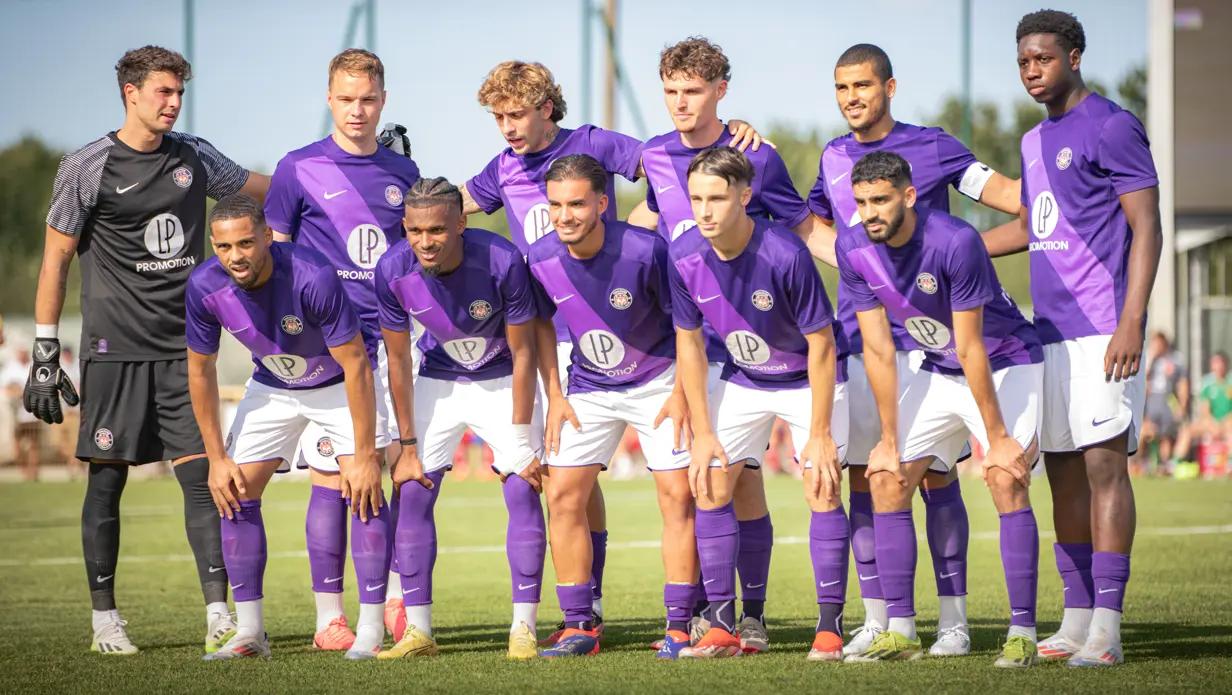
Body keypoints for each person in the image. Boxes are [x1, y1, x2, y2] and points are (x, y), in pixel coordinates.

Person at [461, 62, 765, 639]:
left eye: (516, 113)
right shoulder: (502, 170)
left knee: (693, 487)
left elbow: (674, 156)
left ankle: (693, 615)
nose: (506, 126)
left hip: (646, 345)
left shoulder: (595, 147)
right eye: (497, 117)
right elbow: (457, 206)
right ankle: (584, 615)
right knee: (568, 487)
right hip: (575, 357)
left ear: (547, 107)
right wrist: (405, 208)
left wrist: (730, 135)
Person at [25, 45, 268, 655]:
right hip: (114, 354)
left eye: (179, 92)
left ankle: (219, 613)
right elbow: (56, 258)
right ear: (130, 93)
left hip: (187, 354)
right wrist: (47, 348)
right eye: (163, 92)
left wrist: (340, 175)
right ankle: (105, 619)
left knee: (204, 482)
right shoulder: (88, 164)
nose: (174, 103)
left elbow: (264, 189)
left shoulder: (194, 154)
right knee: (106, 487)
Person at [806, 42, 1024, 658]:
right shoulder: (831, 156)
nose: (852, 98)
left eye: (863, 86)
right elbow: (812, 224)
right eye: (842, 88)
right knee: (871, 477)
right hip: (865, 335)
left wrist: (992, 249)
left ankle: (953, 622)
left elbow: (1015, 200)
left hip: (933, 344)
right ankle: (883, 620)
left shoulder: (931, 146)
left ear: (890, 88)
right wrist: (859, 268)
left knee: (935, 475)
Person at [985, 9, 1163, 667]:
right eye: (1024, 61)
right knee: (1060, 471)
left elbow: (1148, 225)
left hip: (1104, 329)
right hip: (1049, 334)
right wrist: (962, 250)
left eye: (1043, 58)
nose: (1033, 70)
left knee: (1103, 467)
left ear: (1074, 56)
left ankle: (1109, 630)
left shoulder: (1113, 125)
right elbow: (1038, 225)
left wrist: (1133, 320)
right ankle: (1077, 618)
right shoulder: (1034, 143)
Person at [635, 38, 824, 651]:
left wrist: (874, 271)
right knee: (706, 479)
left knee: (741, 483)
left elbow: (800, 227)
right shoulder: (654, 155)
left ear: (720, 91)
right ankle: (705, 616)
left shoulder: (754, 155)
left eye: (692, 90)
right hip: (688, 340)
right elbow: (642, 224)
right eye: (670, 91)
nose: (680, 103)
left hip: (755, 346)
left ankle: (751, 617)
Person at [837, 151, 1042, 668]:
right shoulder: (853, 246)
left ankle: (1023, 633)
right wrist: (887, 438)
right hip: (938, 367)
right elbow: (880, 350)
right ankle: (902, 631)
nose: (870, 212)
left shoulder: (956, 241)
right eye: (861, 202)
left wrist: (996, 437)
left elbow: (973, 346)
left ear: (909, 196)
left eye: (881, 200)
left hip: (1004, 361)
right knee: (885, 476)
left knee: (1003, 474)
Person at [263, 48, 421, 648]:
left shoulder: (404, 174)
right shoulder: (295, 168)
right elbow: (275, 258)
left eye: (368, 99)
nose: (358, 110)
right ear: (329, 99)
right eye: (347, 99)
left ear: (384, 101)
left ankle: (402, 602)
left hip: (390, 345)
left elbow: (414, 256)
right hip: (325, 352)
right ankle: (330, 615)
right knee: (332, 478)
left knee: (399, 474)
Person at [186, 194, 389, 660]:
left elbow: (356, 364)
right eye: (223, 247)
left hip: (338, 383)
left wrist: (363, 455)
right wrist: (216, 459)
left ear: (267, 237)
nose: (235, 256)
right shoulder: (203, 286)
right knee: (233, 491)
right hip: (272, 385)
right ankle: (250, 634)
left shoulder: (312, 275)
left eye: (245, 243)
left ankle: (371, 630)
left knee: (365, 489)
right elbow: (200, 371)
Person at [668, 147, 845, 660]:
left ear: (745, 197)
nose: (704, 210)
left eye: (717, 198)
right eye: (696, 198)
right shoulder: (683, 256)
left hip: (805, 378)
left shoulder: (785, 253)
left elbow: (822, 344)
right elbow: (689, 345)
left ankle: (830, 627)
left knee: (822, 484)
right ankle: (723, 622)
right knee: (710, 477)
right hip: (745, 377)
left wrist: (818, 431)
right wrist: (703, 434)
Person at [527, 155, 695, 659]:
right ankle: (580, 624)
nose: (564, 216)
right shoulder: (538, 258)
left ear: (602, 204)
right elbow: (538, 324)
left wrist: (682, 392)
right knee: (562, 494)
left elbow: (689, 324)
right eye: (555, 205)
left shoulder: (647, 252)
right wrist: (555, 394)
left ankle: (681, 625)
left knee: (677, 496)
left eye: (576, 203)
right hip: (588, 386)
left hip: (660, 380)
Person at [373, 177, 547, 661]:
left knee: (521, 484)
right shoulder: (391, 269)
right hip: (438, 379)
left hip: (502, 377)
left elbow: (524, 350)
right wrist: (406, 446)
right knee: (410, 488)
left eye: (436, 230)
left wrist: (519, 440)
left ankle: (523, 627)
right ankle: (419, 631)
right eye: (414, 231)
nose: (425, 241)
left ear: (461, 223)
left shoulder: (501, 259)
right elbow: (399, 362)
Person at [1140, 332, 1188, 473]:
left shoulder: (1176, 359)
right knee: (1146, 432)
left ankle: (1164, 465)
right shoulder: (1148, 358)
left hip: (1168, 401)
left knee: (1166, 435)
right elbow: (1143, 381)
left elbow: (1182, 384)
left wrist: (1182, 405)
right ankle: (1143, 463)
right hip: (1151, 402)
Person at [5, 348, 41, 481]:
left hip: (32, 415)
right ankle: (24, 470)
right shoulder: (11, 367)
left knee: (34, 446)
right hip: (16, 416)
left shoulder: (34, 367)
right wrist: (18, 392)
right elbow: (7, 388)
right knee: (17, 448)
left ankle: (33, 472)